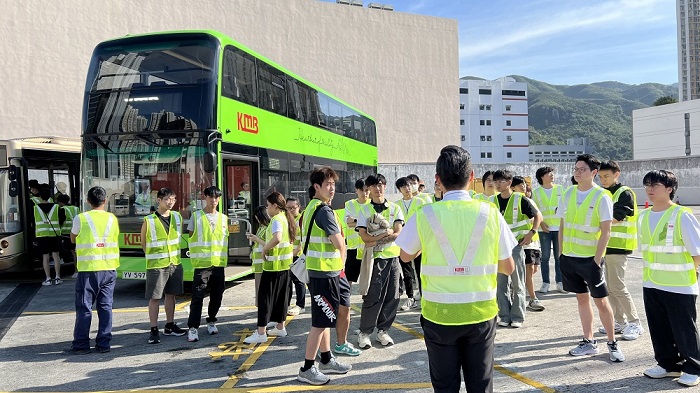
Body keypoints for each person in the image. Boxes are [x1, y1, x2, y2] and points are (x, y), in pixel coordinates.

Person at [396, 145, 516, 392]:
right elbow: (508, 267)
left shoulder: (425, 213)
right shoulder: (490, 213)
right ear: (472, 178)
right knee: (480, 384)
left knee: (445, 386)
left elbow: (405, 255)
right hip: (480, 313)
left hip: (439, 315)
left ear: (437, 181)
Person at [559, 154, 624, 362]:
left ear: (593, 173)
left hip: (590, 259)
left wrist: (597, 260)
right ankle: (589, 341)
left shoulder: (602, 196)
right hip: (569, 257)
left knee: (602, 302)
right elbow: (562, 225)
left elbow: (606, 231)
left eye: (582, 169)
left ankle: (612, 343)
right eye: (576, 169)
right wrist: (560, 253)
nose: (577, 172)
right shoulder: (568, 193)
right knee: (581, 299)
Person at [638, 170, 700, 387]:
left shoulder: (682, 215)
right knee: (659, 327)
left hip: (679, 284)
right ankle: (668, 364)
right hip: (652, 281)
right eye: (647, 185)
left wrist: (690, 276)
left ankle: (693, 367)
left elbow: (697, 253)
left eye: (655, 185)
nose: (650, 189)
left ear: (669, 189)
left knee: (684, 329)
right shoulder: (643, 216)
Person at [297, 167, 351, 385]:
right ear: (316, 187)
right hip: (326, 273)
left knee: (325, 318)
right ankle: (307, 368)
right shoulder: (325, 211)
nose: (332, 188)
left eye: (334, 184)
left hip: (320, 271)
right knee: (320, 323)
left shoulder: (311, 207)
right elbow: (340, 244)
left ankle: (326, 359)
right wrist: (342, 263)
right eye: (327, 184)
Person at [66, 186, 119, 354]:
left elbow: (73, 238)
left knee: (84, 307)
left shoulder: (80, 218)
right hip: (109, 269)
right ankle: (104, 343)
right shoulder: (112, 219)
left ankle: (81, 344)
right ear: (105, 201)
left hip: (89, 270)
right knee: (105, 307)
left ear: (88, 201)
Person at [356, 174, 404, 349]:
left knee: (394, 295)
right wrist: (385, 234)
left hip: (393, 258)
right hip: (375, 259)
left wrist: (375, 239)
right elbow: (364, 237)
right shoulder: (364, 211)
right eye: (374, 185)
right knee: (372, 296)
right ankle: (365, 332)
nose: (378, 188)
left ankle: (383, 330)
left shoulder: (395, 208)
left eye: (381, 184)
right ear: (369, 188)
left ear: (385, 186)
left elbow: (398, 233)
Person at [598, 160, 643, 341]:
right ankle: (619, 321)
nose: (603, 180)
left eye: (606, 176)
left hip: (618, 246)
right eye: (600, 176)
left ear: (617, 174)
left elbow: (617, 216)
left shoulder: (624, 193)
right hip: (604, 247)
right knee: (609, 287)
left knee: (617, 286)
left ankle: (635, 322)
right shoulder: (603, 193)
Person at [492, 170, 542, 328]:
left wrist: (532, 232)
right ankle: (504, 316)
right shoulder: (493, 201)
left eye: (501, 181)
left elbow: (538, 216)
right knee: (501, 284)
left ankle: (518, 316)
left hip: (515, 246)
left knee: (517, 282)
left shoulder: (520, 199)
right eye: (495, 181)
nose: (497, 184)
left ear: (509, 182)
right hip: (499, 247)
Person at [244, 192, 295, 344]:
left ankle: (261, 332)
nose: (267, 209)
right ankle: (280, 327)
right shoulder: (286, 218)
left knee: (264, 299)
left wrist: (265, 248)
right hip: (284, 266)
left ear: (274, 205)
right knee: (281, 298)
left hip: (273, 266)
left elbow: (277, 238)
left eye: (268, 205)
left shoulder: (276, 219)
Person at [140, 188, 187, 344]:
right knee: (154, 297)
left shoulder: (177, 217)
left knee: (171, 295)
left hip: (174, 262)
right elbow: (143, 243)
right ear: (158, 200)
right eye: (167, 199)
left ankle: (169, 325)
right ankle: (154, 329)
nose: (170, 202)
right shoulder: (149, 220)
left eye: (173, 198)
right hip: (157, 264)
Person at [186, 186, 229, 342]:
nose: (214, 200)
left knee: (217, 296)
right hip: (202, 264)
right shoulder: (196, 217)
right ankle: (193, 327)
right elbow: (191, 236)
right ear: (204, 198)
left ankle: (211, 320)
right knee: (197, 297)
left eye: (217, 197)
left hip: (218, 264)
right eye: (211, 197)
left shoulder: (224, 218)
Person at [511, 176, 545, 312]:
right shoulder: (515, 201)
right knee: (528, 270)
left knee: (532, 270)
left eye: (524, 184)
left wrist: (533, 231)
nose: (523, 186)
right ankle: (532, 298)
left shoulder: (528, 200)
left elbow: (539, 216)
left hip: (533, 242)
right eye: (519, 185)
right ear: (512, 187)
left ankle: (522, 295)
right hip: (522, 243)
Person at [532, 166, 565, 294]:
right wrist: (541, 224)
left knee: (559, 257)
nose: (551, 175)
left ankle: (560, 283)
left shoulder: (560, 189)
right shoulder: (536, 192)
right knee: (545, 257)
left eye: (552, 173)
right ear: (542, 176)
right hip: (544, 229)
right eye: (548, 173)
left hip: (559, 228)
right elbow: (535, 211)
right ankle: (545, 283)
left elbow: (565, 208)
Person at [395, 176, 427, 311]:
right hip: (404, 242)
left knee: (421, 271)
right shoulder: (397, 205)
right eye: (403, 187)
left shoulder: (420, 202)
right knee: (407, 272)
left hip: (419, 241)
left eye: (408, 185)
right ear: (399, 190)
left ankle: (424, 297)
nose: (407, 189)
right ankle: (410, 297)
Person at [344, 179, 371, 287]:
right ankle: (345, 299)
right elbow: (348, 222)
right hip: (354, 247)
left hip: (369, 245)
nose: (365, 193)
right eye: (362, 190)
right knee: (349, 277)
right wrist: (364, 221)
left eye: (367, 190)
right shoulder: (350, 204)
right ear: (356, 190)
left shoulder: (373, 204)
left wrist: (356, 220)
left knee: (369, 275)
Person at [35, 187, 62, 285]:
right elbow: (61, 219)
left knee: (45, 257)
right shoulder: (56, 207)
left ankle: (48, 278)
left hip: (42, 235)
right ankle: (58, 277)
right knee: (56, 256)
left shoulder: (35, 208)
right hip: (55, 234)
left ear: (40, 197)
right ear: (50, 196)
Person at [285, 197, 306, 316]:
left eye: (293, 207)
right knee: (287, 282)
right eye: (288, 208)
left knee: (298, 281)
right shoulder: (285, 219)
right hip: (286, 255)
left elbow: (302, 240)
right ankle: (286, 304)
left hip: (297, 255)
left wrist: (294, 253)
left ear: (299, 207)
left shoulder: (301, 220)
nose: (291, 210)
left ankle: (300, 305)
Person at [249, 205, 270, 300]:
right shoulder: (261, 228)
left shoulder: (268, 228)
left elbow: (268, 244)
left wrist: (256, 239)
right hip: (258, 265)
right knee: (259, 290)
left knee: (263, 291)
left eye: (258, 218)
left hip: (264, 264)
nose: (257, 221)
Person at [57, 194, 79, 278]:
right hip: (77, 232)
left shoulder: (63, 209)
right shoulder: (76, 208)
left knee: (73, 252)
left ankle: (76, 270)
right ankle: (77, 270)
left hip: (66, 234)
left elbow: (60, 222)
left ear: (60, 202)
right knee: (75, 253)